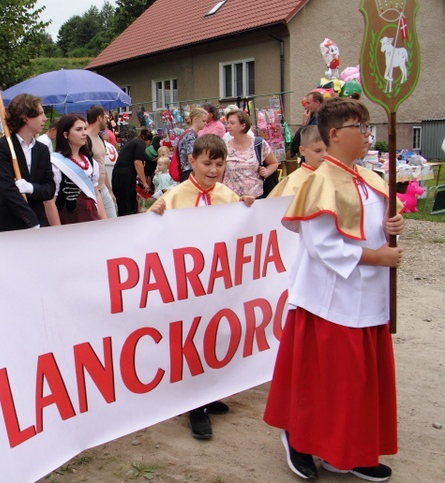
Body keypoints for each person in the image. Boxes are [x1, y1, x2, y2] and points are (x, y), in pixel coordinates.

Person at [264, 98, 404, 481]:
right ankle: (301, 439)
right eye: (360, 127)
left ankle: (350, 449)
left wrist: (392, 226)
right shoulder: (321, 180)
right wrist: (377, 257)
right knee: (327, 379)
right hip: (331, 299)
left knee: (357, 382)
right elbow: (321, 244)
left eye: (368, 127)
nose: (367, 135)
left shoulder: (370, 176)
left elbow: (375, 222)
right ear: (336, 134)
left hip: (369, 296)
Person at [149, 134, 251, 440]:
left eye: (219, 164)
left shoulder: (227, 195)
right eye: (207, 163)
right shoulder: (176, 196)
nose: (213, 170)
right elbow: (151, 237)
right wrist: (153, 215)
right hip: (188, 285)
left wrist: (249, 208)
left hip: (217, 283)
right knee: (192, 340)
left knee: (216, 337)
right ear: (192, 161)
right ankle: (195, 406)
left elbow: (244, 229)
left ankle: (207, 393)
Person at [0, 94, 56, 231]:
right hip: (10, 225)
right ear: (25, 117)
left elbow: (49, 189)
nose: (45, 119)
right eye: (40, 114)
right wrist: (31, 221)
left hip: (38, 220)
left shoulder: (42, 150)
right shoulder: (2, 147)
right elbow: (7, 189)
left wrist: (31, 188)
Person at [44, 114, 106, 225]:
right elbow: (50, 201)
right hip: (68, 219)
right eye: (78, 129)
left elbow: (96, 194)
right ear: (66, 134)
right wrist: (58, 230)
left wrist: (103, 221)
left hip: (91, 217)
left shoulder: (91, 163)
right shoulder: (55, 163)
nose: (84, 133)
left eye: (85, 129)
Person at [223, 110, 278, 201]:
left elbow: (273, 163)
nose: (228, 126)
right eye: (227, 123)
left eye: (232, 123)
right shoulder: (224, 147)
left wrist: (266, 172)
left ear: (243, 126)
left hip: (256, 198)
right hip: (233, 199)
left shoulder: (258, 144)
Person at [269, 126, 327, 198]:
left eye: (327, 150)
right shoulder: (294, 183)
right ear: (302, 150)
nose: (325, 155)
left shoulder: (332, 174)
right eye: (318, 151)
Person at [112, 129, 153, 216]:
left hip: (117, 175)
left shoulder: (131, 142)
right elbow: (138, 163)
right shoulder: (141, 143)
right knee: (129, 206)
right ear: (148, 141)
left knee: (123, 206)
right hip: (126, 177)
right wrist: (145, 182)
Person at [86, 106, 117, 218]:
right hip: (92, 190)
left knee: (113, 222)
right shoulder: (85, 139)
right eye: (105, 117)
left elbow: (102, 165)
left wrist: (110, 190)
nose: (107, 120)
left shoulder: (100, 138)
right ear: (99, 118)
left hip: (103, 188)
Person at [177, 108, 208, 182]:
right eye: (203, 121)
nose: (205, 123)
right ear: (195, 119)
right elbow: (192, 157)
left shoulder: (188, 133)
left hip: (187, 171)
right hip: (189, 172)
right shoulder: (191, 136)